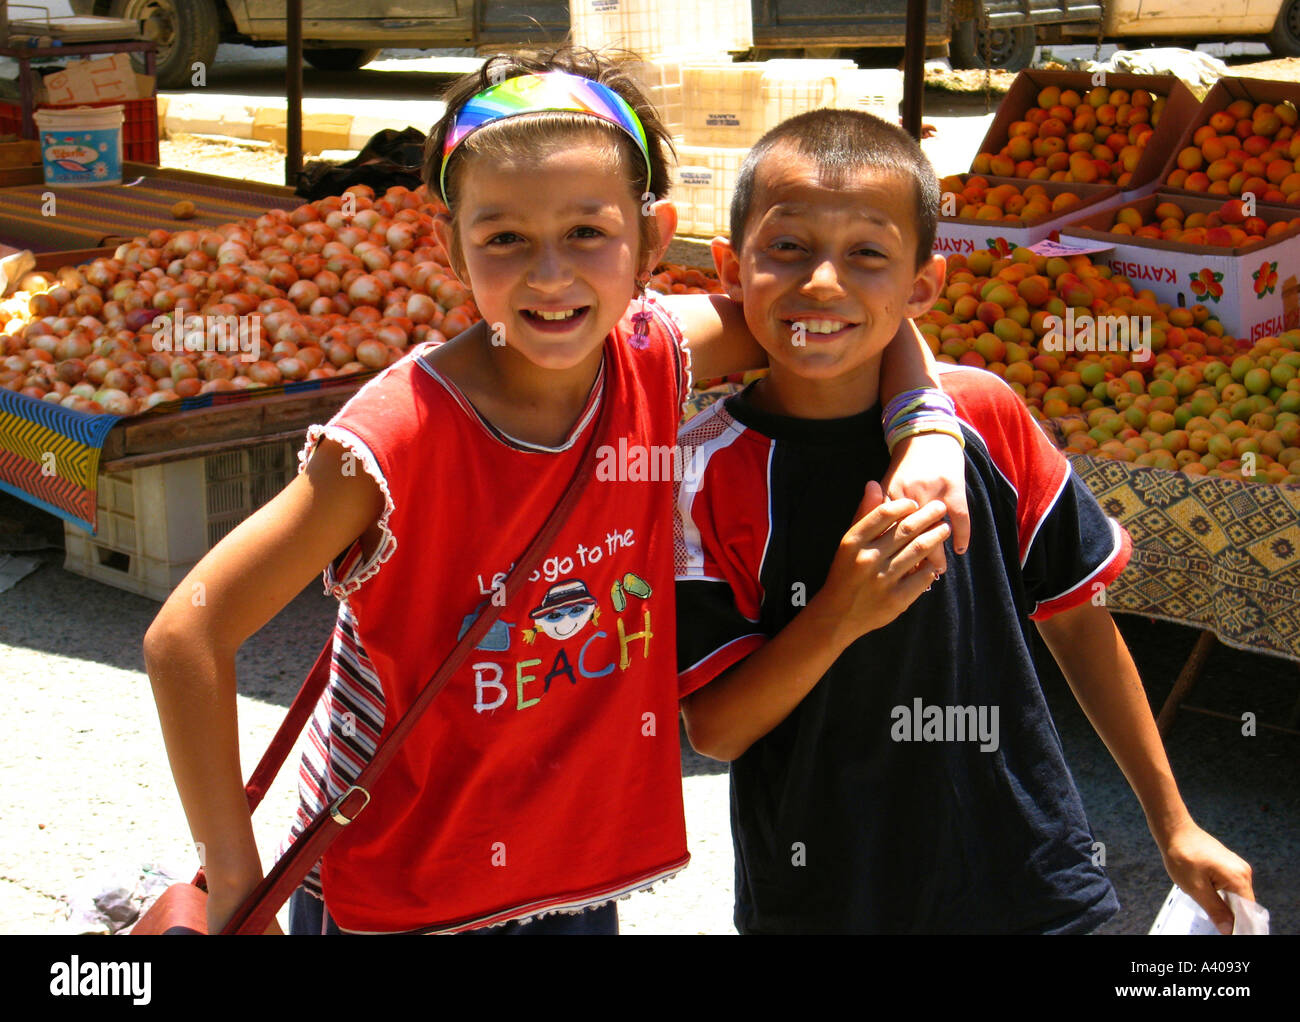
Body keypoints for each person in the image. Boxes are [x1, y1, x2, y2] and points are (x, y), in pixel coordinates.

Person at [142, 49, 972, 936]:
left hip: (569, 879)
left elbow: (829, 320)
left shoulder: (652, 353)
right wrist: (236, 881)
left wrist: (928, 432)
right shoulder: (395, 439)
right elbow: (189, 630)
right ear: (449, 246)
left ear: (655, 240)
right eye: (504, 238)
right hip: (401, 889)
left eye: (586, 233)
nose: (548, 275)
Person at [674, 107, 1255, 934]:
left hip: (1030, 875)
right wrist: (838, 613)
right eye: (788, 247)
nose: (824, 282)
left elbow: (1079, 624)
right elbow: (718, 728)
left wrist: (1175, 823)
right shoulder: (699, 471)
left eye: (868, 253)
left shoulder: (983, 413)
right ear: (730, 268)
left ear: (923, 285)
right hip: (827, 894)